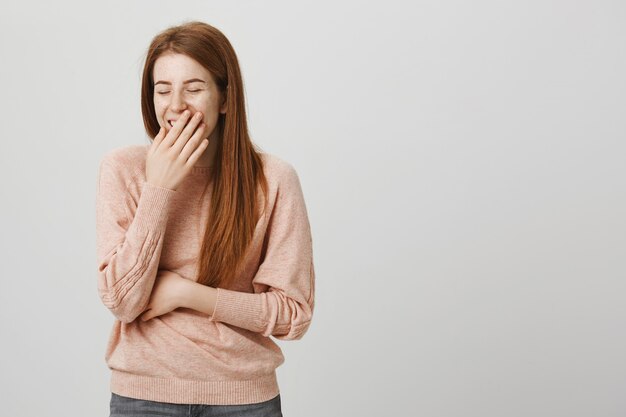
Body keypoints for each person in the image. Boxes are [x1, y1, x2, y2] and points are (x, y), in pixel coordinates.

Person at [95, 20, 315, 417]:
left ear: (225, 98)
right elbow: (122, 301)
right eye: (163, 90)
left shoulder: (274, 179)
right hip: (144, 397)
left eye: (193, 88)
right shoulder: (123, 169)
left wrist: (186, 293)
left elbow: (292, 315)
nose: (176, 105)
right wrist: (159, 188)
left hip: (244, 398)